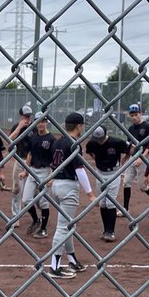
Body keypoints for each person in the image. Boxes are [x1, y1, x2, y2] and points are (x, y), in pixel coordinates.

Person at [46, 112, 94, 279]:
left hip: (56, 186)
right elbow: (80, 170)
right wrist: (90, 194)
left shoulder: (57, 141)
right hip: (68, 186)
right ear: (78, 126)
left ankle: (72, 259)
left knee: (67, 225)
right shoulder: (74, 143)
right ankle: (55, 266)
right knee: (63, 227)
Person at [84, 124, 130, 242]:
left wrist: (123, 162)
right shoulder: (92, 143)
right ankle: (105, 230)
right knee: (102, 203)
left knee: (110, 203)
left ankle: (111, 231)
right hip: (99, 173)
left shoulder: (116, 142)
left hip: (113, 174)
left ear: (106, 135)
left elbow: (131, 149)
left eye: (101, 139)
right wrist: (97, 160)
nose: (99, 142)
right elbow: (89, 151)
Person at [18, 113, 56, 238]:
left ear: (46, 122)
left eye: (43, 121)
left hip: (46, 172)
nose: (41, 124)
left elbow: (55, 160)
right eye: (38, 121)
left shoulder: (51, 139)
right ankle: (36, 220)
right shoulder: (33, 137)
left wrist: (52, 177)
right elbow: (30, 154)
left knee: (44, 202)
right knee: (26, 200)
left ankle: (44, 229)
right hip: (33, 171)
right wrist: (26, 171)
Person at [123, 104, 149, 223]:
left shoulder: (147, 127)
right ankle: (125, 209)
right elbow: (129, 144)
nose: (134, 117)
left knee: (142, 186)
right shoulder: (131, 129)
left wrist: (142, 157)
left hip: (143, 158)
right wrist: (127, 157)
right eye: (132, 115)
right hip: (133, 157)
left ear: (140, 114)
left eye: (136, 115)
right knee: (126, 182)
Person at [7, 104, 34, 220]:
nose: (27, 119)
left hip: (32, 161)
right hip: (19, 160)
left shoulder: (34, 128)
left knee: (34, 190)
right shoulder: (16, 127)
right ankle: (15, 216)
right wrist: (19, 127)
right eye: (25, 117)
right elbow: (9, 140)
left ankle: (34, 216)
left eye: (29, 117)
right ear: (20, 116)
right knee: (17, 188)